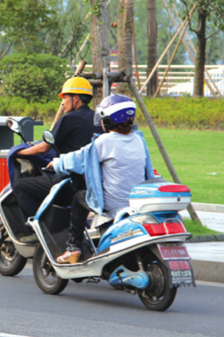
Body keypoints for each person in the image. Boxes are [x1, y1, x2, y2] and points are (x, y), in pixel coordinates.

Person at [47, 94, 155, 263]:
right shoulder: (138, 139)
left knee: (78, 198)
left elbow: (79, 158)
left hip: (113, 203)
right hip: (137, 202)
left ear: (109, 120)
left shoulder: (105, 141)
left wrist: (56, 163)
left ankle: (73, 248)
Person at [12, 77, 102, 242]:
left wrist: (21, 153)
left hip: (67, 181)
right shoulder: (98, 120)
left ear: (75, 98)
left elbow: (45, 147)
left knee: (20, 186)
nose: (63, 103)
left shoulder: (69, 119)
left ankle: (38, 230)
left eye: (65, 98)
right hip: (90, 182)